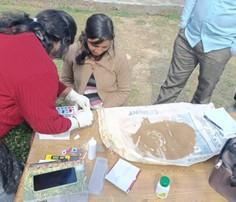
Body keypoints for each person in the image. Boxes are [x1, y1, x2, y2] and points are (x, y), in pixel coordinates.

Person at [0, 9, 93, 199]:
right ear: (59, 42)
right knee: (10, 194)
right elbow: (46, 124)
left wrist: (68, 92)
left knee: (13, 174)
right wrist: (77, 121)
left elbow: (22, 75)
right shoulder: (39, 67)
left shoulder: (14, 29)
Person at [155, 0, 236, 104]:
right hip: (189, 37)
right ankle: (158, 115)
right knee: (172, 82)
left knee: (204, 91)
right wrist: (183, 24)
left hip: (219, 47)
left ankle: (196, 116)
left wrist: (232, 49)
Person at [61, 13, 131, 109]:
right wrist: (74, 100)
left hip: (108, 109)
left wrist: (103, 108)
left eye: (105, 47)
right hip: (80, 107)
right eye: (94, 45)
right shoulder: (72, 51)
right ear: (86, 37)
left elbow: (124, 91)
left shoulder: (119, 58)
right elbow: (66, 80)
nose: (98, 50)